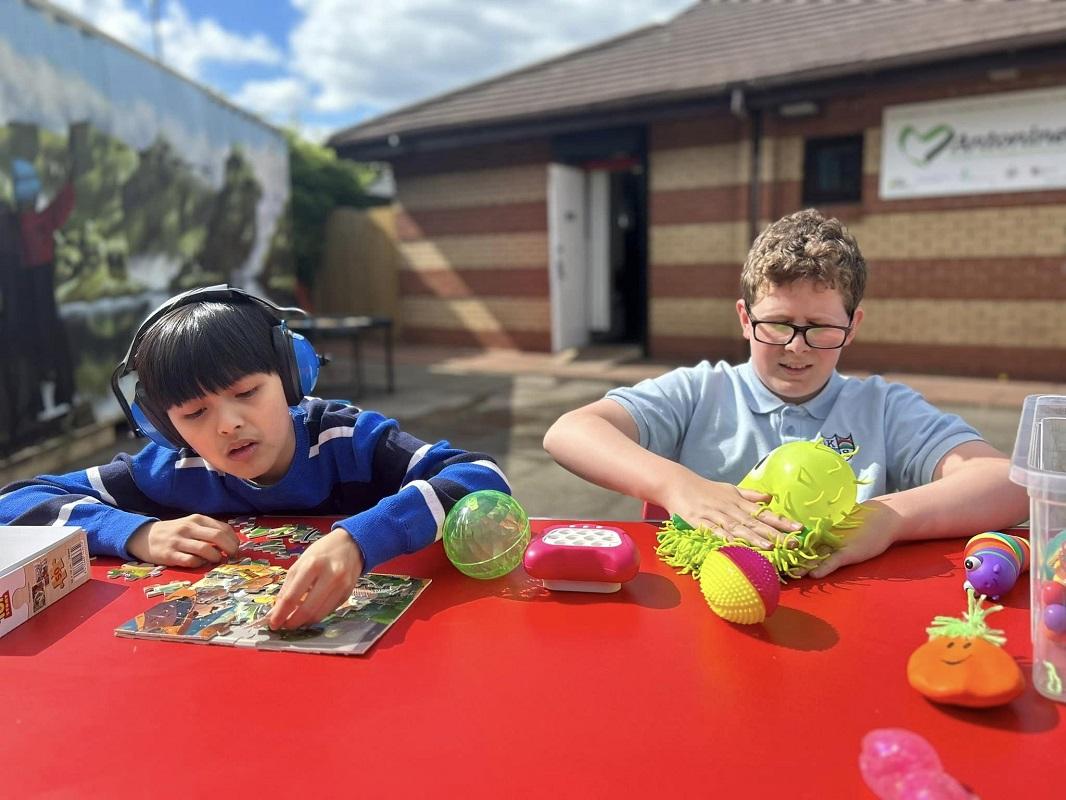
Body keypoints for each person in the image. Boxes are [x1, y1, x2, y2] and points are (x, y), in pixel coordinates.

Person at [543, 208, 1028, 578]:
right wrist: (676, 485)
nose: (796, 349)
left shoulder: (882, 408)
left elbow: (1012, 482)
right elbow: (571, 432)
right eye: (776, 325)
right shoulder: (701, 390)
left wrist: (890, 518)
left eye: (819, 328)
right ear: (743, 318)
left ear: (852, 326)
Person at [0, 285, 511, 627]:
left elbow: (483, 476)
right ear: (162, 426)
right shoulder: (172, 469)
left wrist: (361, 540)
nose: (227, 424)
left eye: (246, 393)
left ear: (291, 376)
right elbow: (16, 500)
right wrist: (137, 533)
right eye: (194, 413)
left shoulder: (347, 440)